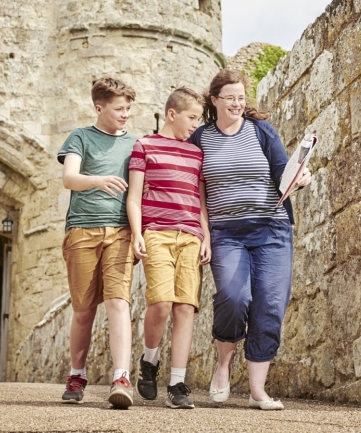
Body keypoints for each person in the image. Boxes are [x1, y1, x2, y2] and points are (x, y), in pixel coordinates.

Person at [189, 69, 311, 411]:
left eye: (242, 98)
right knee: (233, 296)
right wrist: (203, 233)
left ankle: (258, 390)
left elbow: (283, 172)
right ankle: (224, 365)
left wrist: (300, 176)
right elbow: (193, 190)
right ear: (215, 101)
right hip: (226, 233)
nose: (237, 104)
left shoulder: (261, 131)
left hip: (272, 230)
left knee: (270, 304)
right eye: (230, 98)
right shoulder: (201, 139)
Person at [57, 77, 139, 408]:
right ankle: (77, 374)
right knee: (84, 310)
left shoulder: (136, 143)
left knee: (119, 302)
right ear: (99, 107)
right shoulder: (80, 137)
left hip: (120, 231)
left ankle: (122, 377)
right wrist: (98, 180)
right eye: (119, 109)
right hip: (82, 231)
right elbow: (69, 178)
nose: (125, 114)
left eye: (129, 108)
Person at [126, 87, 210, 409]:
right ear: (172, 114)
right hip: (156, 234)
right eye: (192, 117)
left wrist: (206, 237)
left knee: (185, 307)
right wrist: (137, 234)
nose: (195, 124)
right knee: (160, 303)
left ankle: (177, 382)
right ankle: (149, 361)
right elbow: (134, 198)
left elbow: (198, 200)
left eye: (199, 119)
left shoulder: (196, 153)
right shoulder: (144, 145)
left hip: (190, 236)